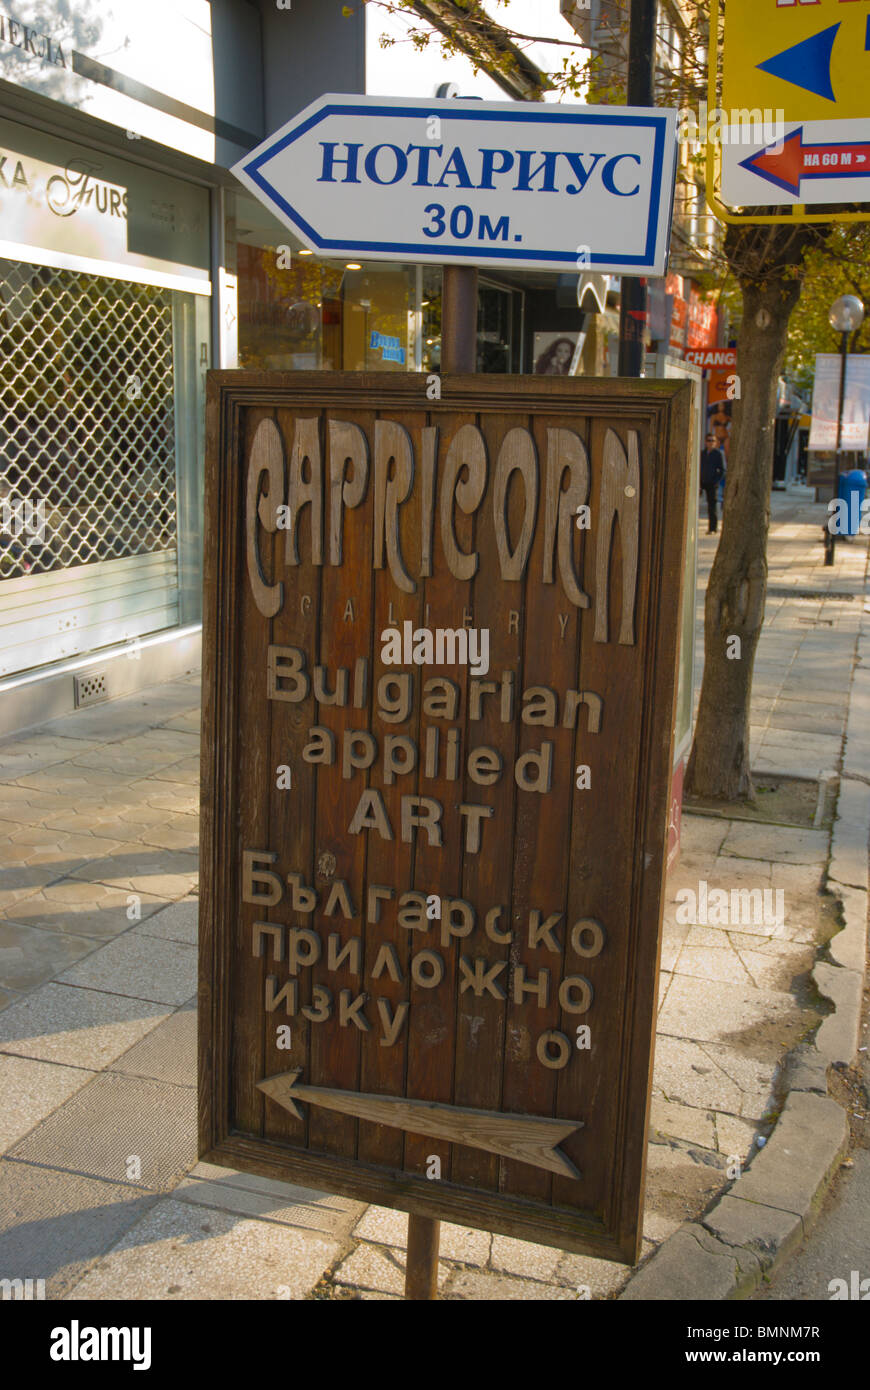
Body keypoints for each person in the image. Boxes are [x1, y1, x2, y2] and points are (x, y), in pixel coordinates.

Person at [700, 432, 726, 534]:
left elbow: (722, 470)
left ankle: (713, 528)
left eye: (712, 440)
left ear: (716, 442)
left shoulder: (718, 454)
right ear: (705, 442)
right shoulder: (702, 453)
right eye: (709, 440)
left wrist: (716, 481)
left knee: (712, 506)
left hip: (712, 483)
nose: (710, 443)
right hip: (702, 482)